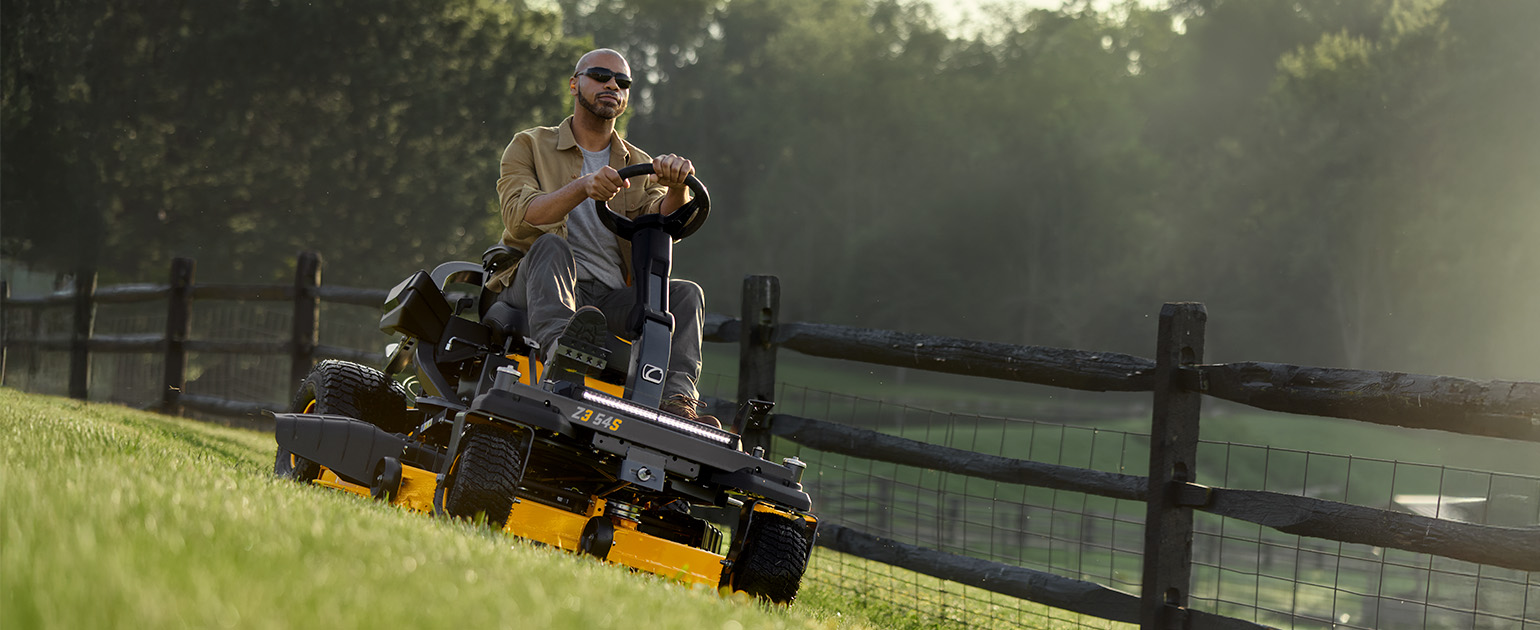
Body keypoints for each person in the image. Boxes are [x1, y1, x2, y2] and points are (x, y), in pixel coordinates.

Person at [489, 48, 718, 428]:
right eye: (600, 75)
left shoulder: (637, 162)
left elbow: (658, 224)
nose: (612, 85)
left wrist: (677, 188)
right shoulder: (530, 144)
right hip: (537, 284)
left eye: (622, 82)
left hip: (610, 299)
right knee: (551, 245)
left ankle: (677, 403)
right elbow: (520, 217)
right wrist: (583, 187)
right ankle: (564, 357)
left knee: (686, 294)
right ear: (575, 83)